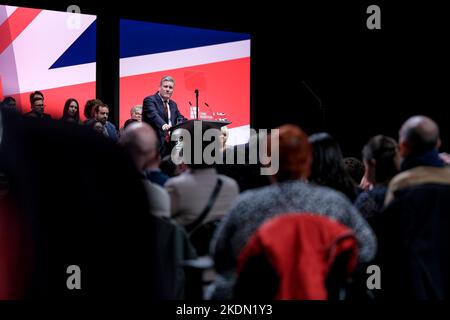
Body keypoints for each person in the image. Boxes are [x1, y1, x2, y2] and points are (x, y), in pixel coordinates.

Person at [142, 76, 187, 154]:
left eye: (170, 87)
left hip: (170, 144)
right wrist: (163, 125)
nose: (168, 89)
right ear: (159, 88)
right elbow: (153, 115)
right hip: (154, 143)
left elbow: (179, 117)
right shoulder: (149, 100)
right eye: (165, 86)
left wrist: (189, 123)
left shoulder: (173, 104)